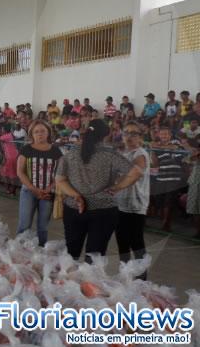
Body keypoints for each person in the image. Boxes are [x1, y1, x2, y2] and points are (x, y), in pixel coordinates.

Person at [55, 119, 142, 262]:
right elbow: (136, 172)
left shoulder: (71, 153)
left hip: (74, 208)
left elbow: (60, 180)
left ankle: (70, 282)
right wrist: (116, 187)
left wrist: (76, 195)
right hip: (104, 210)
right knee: (95, 257)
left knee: (71, 254)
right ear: (106, 135)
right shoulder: (110, 154)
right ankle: (90, 283)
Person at [16, 120, 63, 246]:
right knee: (24, 223)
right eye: (36, 132)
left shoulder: (56, 151)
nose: (40, 134)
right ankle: (19, 249)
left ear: (48, 132)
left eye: (43, 131)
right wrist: (33, 189)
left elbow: (61, 174)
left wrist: (49, 188)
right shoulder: (26, 149)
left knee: (43, 226)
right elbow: (20, 172)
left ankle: (41, 251)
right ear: (32, 134)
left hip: (48, 193)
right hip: (28, 192)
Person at [115, 121, 150, 280]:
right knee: (122, 244)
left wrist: (115, 187)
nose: (129, 136)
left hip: (135, 206)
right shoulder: (122, 153)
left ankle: (141, 280)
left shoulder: (140, 154)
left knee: (137, 244)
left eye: (134, 133)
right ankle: (126, 276)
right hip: (120, 204)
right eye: (126, 133)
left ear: (140, 137)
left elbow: (133, 174)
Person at [149, 126, 187, 231]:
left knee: (169, 202)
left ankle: (166, 224)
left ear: (170, 135)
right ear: (159, 135)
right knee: (160, 200)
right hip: (161, 177)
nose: (164, 136)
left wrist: (157, 147)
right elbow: (156, 164)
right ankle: (165, 222)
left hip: (173, 178)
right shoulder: (157, 148)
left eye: (166, 134)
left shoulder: (175, 143)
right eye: (162, 134)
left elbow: (174, 148)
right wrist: (152, 151)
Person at [0, 124, 19, 195]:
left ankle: (11, 191)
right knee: (7, 174)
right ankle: (10, 190)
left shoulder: (6, 135)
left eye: (2, 129)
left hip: (11, 157)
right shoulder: (10, 135)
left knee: (11, 175)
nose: (1, 130)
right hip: (12, 156)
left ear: (5, 129)